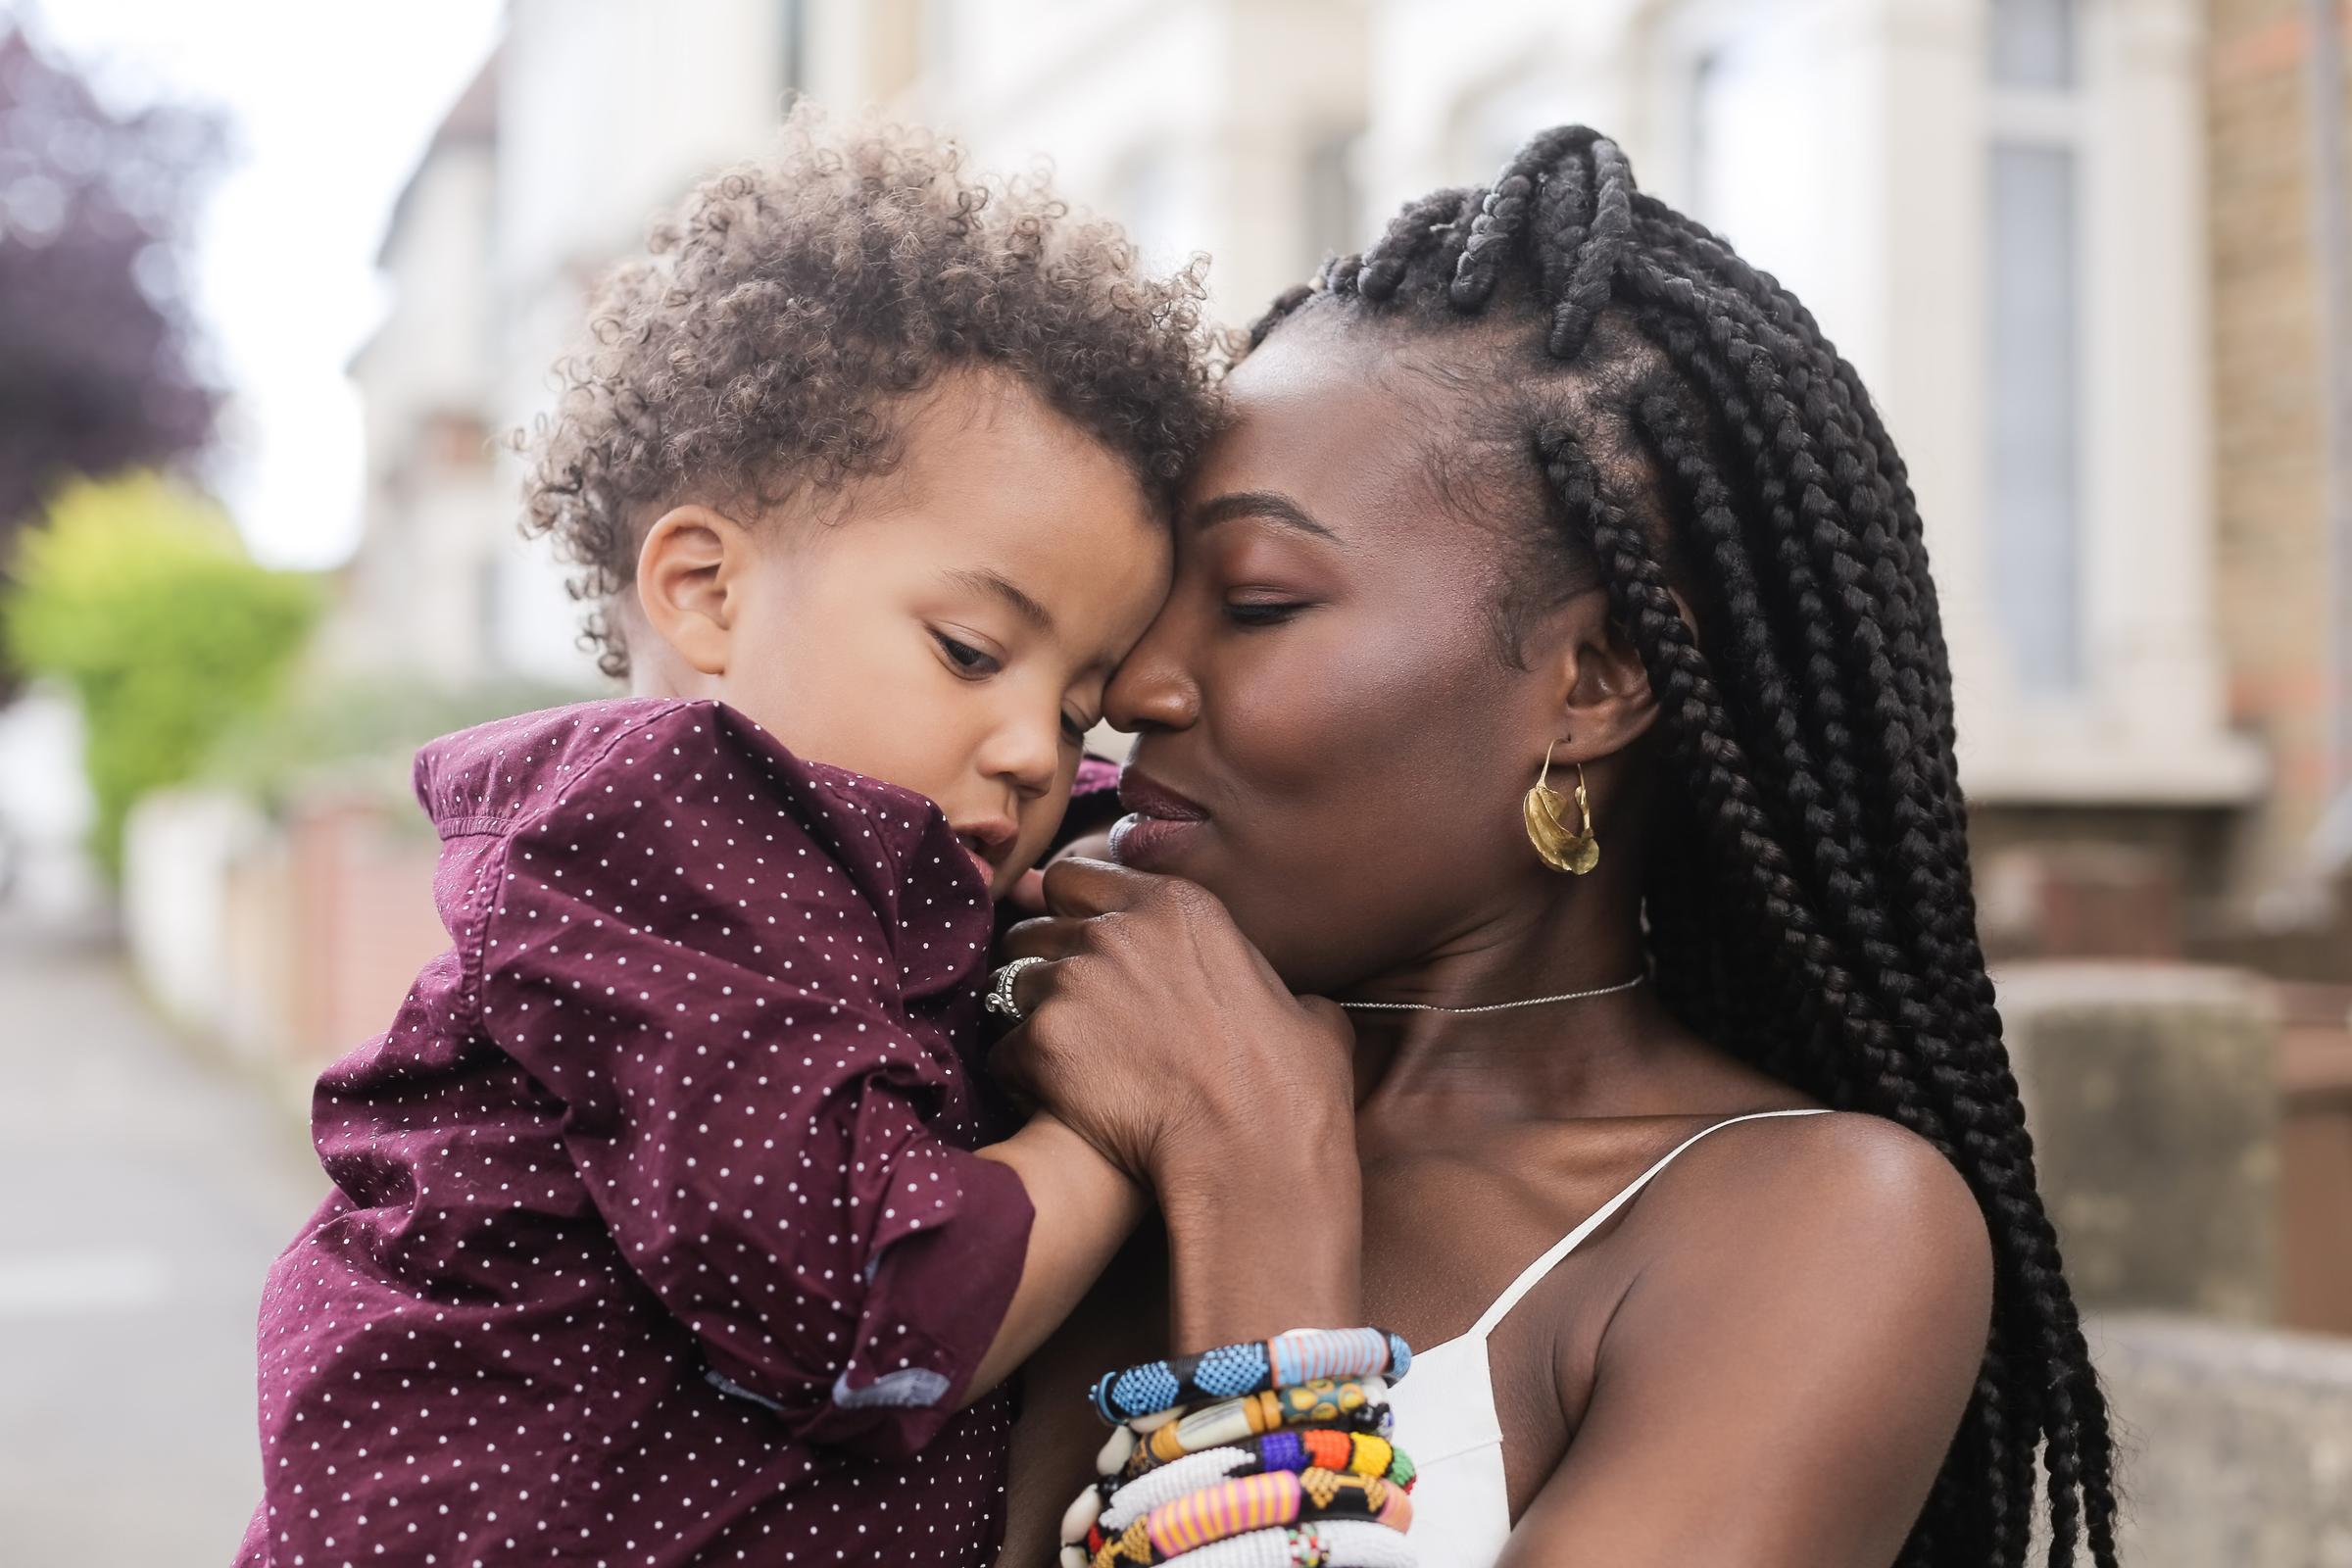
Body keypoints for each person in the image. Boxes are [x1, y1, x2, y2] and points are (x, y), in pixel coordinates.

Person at [990, 126, 2119, 1567]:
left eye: (1259, 601)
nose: (1133, 679)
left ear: (1593, 680)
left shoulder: (1806, 1232)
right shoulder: (994, 1069)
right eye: (1152, 590)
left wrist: (1251, 1176)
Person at [234, 114, 1335, 1568]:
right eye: (967, 649)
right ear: (703, 590)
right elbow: (869, 1309)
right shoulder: (665, 836)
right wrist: (1134, 1132)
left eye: (1078, 706)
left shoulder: (848, 875)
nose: (1035, 746)